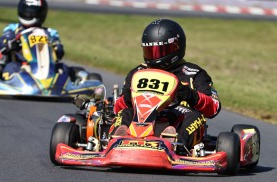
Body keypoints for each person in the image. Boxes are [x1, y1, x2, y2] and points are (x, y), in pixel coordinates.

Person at [73, 18, 221, 152]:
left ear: (175, 47)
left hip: (177, 118)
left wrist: (190, 95)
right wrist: (127, 99)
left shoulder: (193, 73)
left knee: (195, 117)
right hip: (141, 117)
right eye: (150, 51)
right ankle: (117, 140)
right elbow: (118, 107)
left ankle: (174, 143)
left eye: (160, 50)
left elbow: (214, 107)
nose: (155, 56)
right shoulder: (138, 73)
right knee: (125, 113)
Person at [0, 0, 65, 80]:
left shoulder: (50, 32)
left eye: (32, 12)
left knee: (64, 69)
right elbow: (2, 44)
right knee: (11, 68)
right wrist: (10, 43)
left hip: (47, 67)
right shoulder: (12, 28)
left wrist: (57, 47)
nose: (28, 14)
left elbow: (59, 51)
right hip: (21, 64)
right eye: (26, 11)